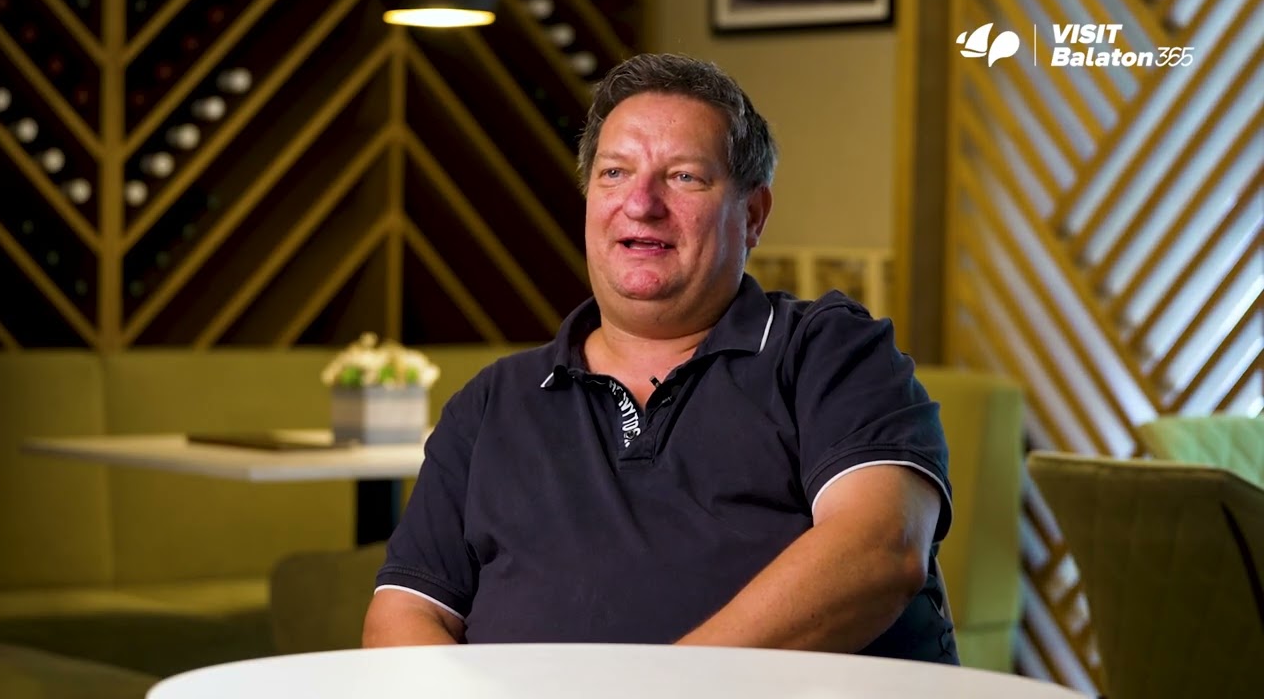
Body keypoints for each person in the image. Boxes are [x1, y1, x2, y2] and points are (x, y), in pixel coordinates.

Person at [363, 52, 956, 663]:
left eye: (684, 177)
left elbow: (879, 547)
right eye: (615, 173)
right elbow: (403, 614)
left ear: (753, 215)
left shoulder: (829, 352)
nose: (641, 203)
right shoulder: (492, 403)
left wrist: (663, 688)